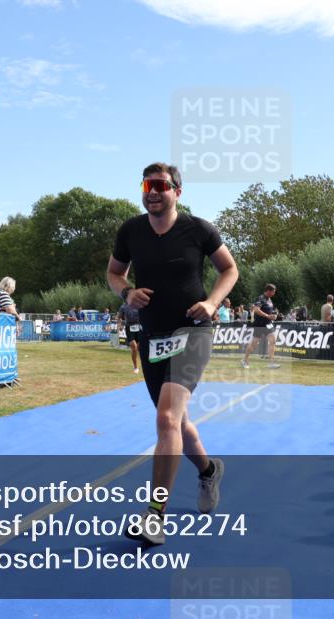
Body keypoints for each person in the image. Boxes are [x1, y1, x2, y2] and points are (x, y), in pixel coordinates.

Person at [107, 162, 238, 546]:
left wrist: (213, 302)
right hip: (152, 335)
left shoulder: (198, 229)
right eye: (147, 184)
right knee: (176, 423)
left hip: (192, 331)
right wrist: (126, 293)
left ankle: (155, 516)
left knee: (166, 418)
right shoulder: (130, 230)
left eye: (161, 185)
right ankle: (209, 469)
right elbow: (114, 273)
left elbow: (229, 270)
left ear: (177, 191)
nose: (152, 191)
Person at [241, 284, 281, 369]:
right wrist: (267, 316)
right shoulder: (261, 298)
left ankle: (271, 363)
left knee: (272, 341)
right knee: (254, 344)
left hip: (269, 324)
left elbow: (270, 310)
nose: (274, 293)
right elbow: (256, 310)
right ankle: (245, 360)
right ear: (268, 291)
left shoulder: (269, 299)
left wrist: (274, 315)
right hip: (260, 324)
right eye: (273, 292)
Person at [117, 298, 143, 374]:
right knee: (133, 347)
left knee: (139, 348)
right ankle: (135, 367)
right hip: (129, 327)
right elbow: (119, 317)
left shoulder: (138, 304)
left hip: (139, 327)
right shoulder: (123, 306)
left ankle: (145, 366)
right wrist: (120, 325)